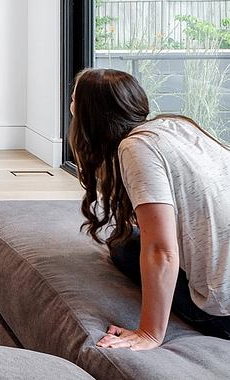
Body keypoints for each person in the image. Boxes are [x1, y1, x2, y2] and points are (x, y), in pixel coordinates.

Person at [68, 67, 230, 351]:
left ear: (89, 115)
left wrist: (149, 333)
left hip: (224, 311)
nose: (70, 106)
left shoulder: (135, 147)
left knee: (125, 248)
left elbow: (161, 250)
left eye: (74, 100)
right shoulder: (175, 125)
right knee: (130, 240)